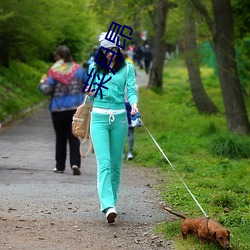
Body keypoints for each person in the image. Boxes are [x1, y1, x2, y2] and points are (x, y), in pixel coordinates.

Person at [86, 32, 138, 223]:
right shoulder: (94, 67)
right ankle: (108, 205)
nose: (109, 54)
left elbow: (131, 90)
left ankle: (112, 201)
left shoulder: (128, 68)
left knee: (116, 164)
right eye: (105, 50)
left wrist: (134, 104)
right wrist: (90, 92)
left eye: (113, 50)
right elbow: (90, 95)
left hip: (120, 119)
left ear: (118, 50)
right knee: (105, 162)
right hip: (98, 118)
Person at [39, 45, 87, 175]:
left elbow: (47, 90)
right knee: (74, 136)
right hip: (75, 109)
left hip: (58, 109)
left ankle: (60, 167)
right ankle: (75, 163)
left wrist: (42, 83)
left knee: (60, 138)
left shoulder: (54, 71)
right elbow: (88, 85)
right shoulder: (78, 69)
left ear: (58, 57)